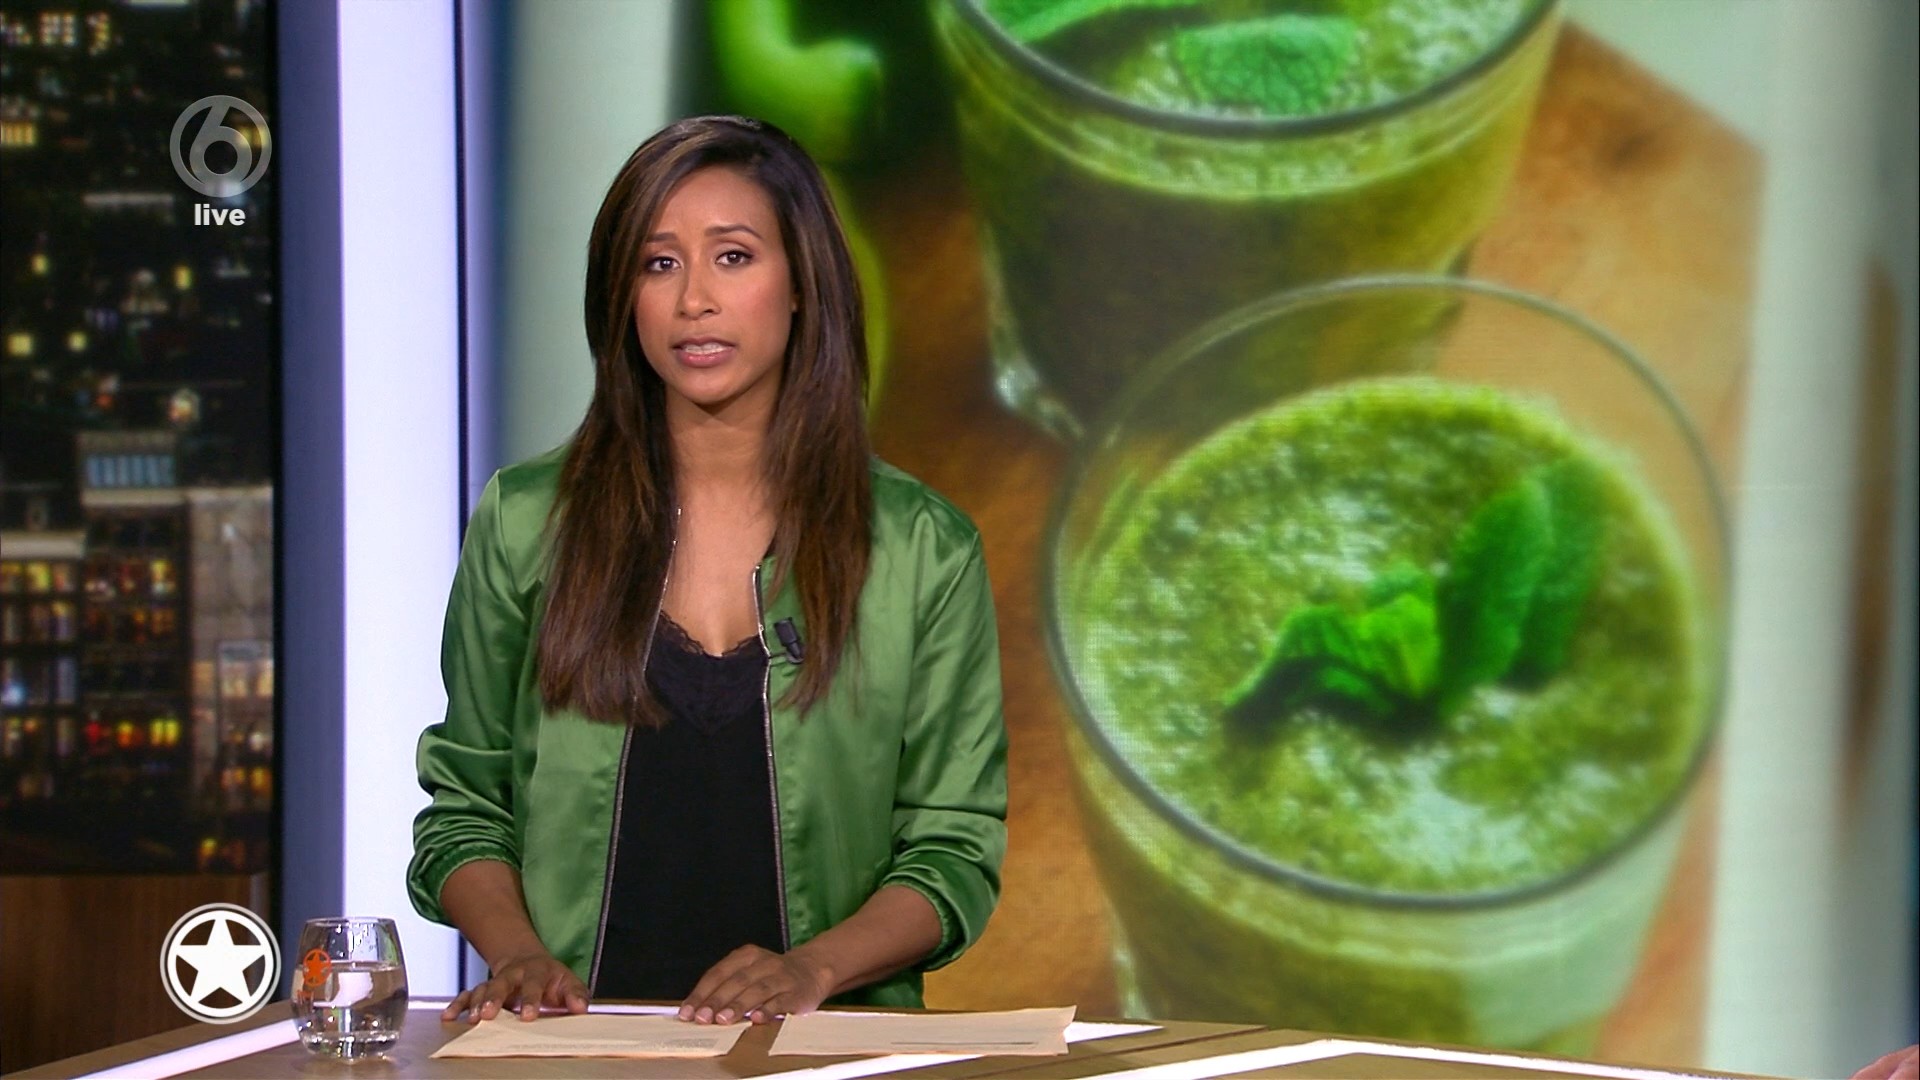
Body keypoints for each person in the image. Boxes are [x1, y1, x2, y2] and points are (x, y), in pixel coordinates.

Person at [408, 115, 1008, 1027]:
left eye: (733, 257)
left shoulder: (922, 549)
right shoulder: (525, 523)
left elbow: (952, 848)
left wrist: (810, 971)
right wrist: (520, 955)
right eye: (659, 264)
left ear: (801, 283)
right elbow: (466, 810)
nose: (694, 299)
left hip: (820, 1052)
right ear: (623, 297)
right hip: (578, 1051)